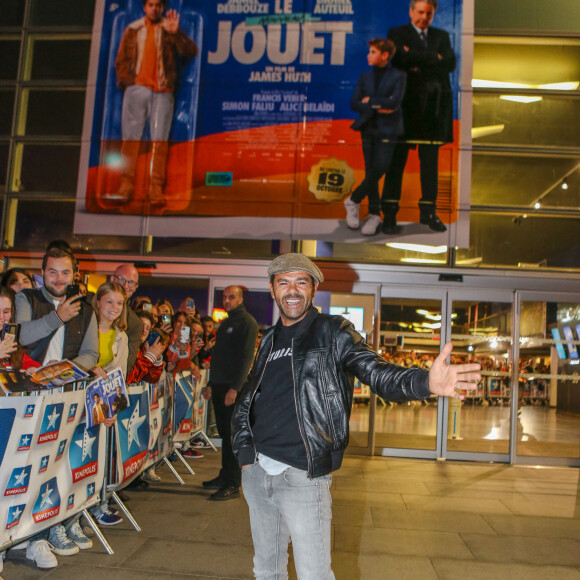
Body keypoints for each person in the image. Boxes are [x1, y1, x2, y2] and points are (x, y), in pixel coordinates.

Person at [231, 253, 481, 579]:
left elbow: (376, 373)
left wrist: (425, 382)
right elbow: (249, 395)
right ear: (272, 289)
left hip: (303, 477)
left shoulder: (333, 331)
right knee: (266, 569)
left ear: (314, 288)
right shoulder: (268, 339)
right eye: (284, 282)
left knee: (315, 574)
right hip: (258, 473)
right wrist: (245, 454)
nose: (292, 290)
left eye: (301, 282)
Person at [14, 247, 99, 568]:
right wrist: (57, 317)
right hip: (29, 396)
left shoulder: (87, 309)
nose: (59, 279)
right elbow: (21, 336)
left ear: (75, 274)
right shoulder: (26, 299)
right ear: (42, 272)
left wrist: (69, 371)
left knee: (60, 465)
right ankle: (31, 537)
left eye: (65, 272)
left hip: (66, 395)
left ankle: (54, 526)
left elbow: (91, 353)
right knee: (28, 466)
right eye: (53, 272)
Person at [108, 0, 198, 207]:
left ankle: (155, 189)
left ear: (163, 7)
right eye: (150, 4)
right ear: (144, 7)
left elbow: (191, 51)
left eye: (158, 5)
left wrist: (176, 33)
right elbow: (120, 60)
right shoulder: (133, 29)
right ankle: (126, 186)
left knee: (159, 142)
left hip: (163, 91)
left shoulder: (169, 28)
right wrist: (128, 84)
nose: (154, 8)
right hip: (136, 89)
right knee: (130, 140)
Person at [383, 0, 457, 233]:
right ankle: (389, 217)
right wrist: (433, 59)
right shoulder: (396, 33)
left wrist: (415, 58)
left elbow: (450, 63)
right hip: (404, 111)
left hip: (431, 113)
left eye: (429, 13)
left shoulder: (442, 36)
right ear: (410, 11)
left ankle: (429, 213)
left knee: (430, 166)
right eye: (420, 12)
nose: (424, 17)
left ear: (433, 14)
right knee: (396, 165)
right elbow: (399, 60)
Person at [343, 39, 406, 236]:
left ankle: (353, 200)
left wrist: (370, 101)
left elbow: (395, 102)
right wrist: (381, 105)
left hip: (389, 129)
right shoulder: (364, 77)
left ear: (385, 55)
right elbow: (354, 103)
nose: (368, 55)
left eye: (372, 52)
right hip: (368, 128)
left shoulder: (398, 76)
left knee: (381, 168)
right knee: (371, 169)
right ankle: (373, 214)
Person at [202, 286, 258, 500]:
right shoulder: (225, 322)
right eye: (224, 297)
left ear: (241, 299)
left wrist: (235, 388)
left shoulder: (247, 323)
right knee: (226, 434)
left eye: (231, 297)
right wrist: (210, 384)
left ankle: (233, 483)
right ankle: (225, 475)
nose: (226, 301)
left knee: (233, 436)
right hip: (219, 385)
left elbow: (246, 359)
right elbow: (218, 357)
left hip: (232, 387)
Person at [91, 281, 129, 379]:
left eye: (119, 303)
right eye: (109, 302)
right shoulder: (83, 328)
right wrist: (90, 369)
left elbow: (121, 374)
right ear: (98, 303)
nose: (115, 307)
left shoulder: (122, 337)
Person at [111, 264, 143, 372]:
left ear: (135, 287)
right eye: (121, 279)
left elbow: (127, 364)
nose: (125, 286)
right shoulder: (90, 305)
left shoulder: (135, 323)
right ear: (112, 279)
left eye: (130, 282)